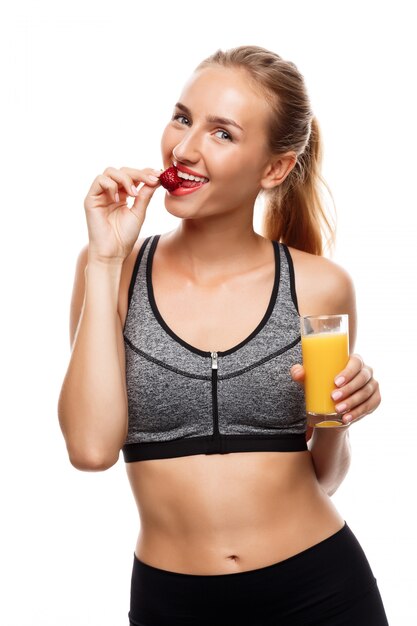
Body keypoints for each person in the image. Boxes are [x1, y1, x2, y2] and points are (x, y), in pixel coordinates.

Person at [57, 45, 389, 625]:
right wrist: (107, 259)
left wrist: (340, 415)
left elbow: (324, 478)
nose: (184, 149)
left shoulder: (320, 286)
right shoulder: (108, 269)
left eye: (222, 134)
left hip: (322, 590)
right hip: (174, 604)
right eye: (183, 118)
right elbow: (90, 450)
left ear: (275, 169)